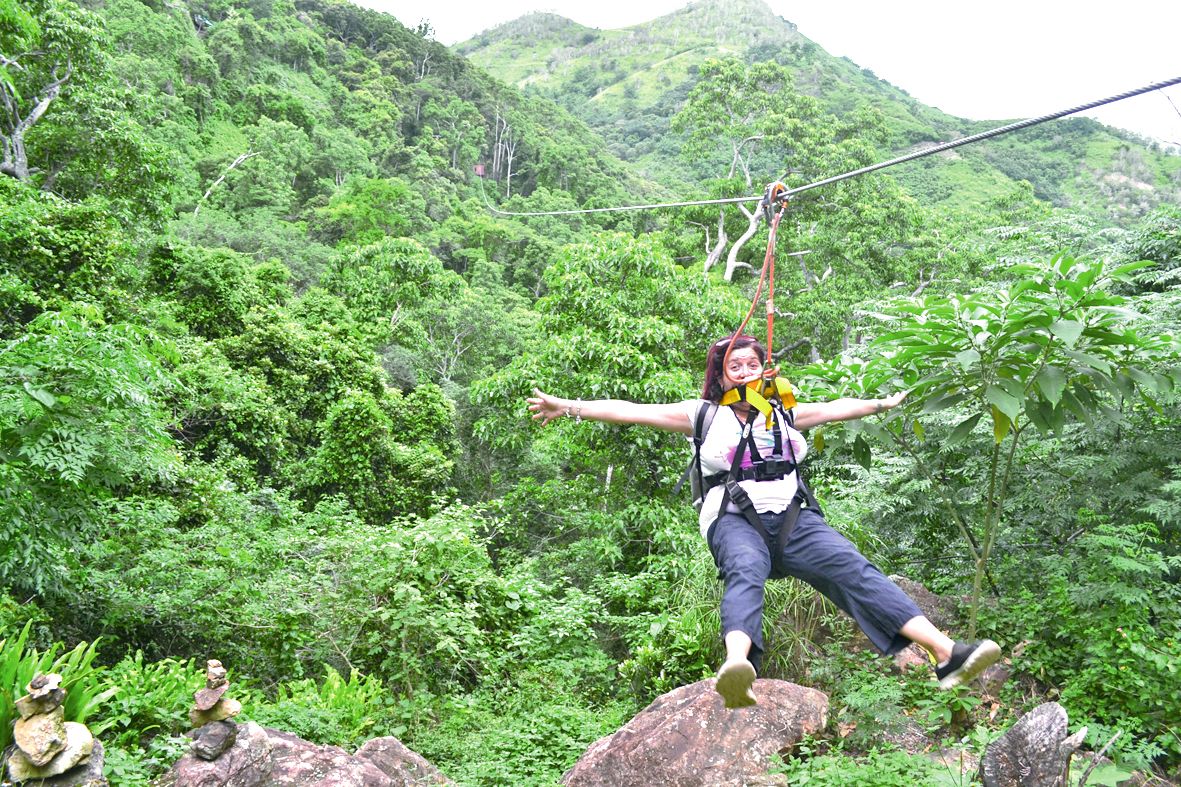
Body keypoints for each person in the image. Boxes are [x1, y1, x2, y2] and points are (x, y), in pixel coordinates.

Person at [526, 333, 1000, 708]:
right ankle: (738, 667)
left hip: (794, 519)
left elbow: (836, 409)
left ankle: (946, 654)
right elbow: (631, 412)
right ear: (721, 375)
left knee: (853, 568)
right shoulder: (703, 415)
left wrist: (883, 403)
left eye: (753, 364)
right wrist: (567, 407)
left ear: (763, 369)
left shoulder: (784, 411)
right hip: (734, 518)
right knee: (745, 570)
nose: (746, 370)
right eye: (736, 366)